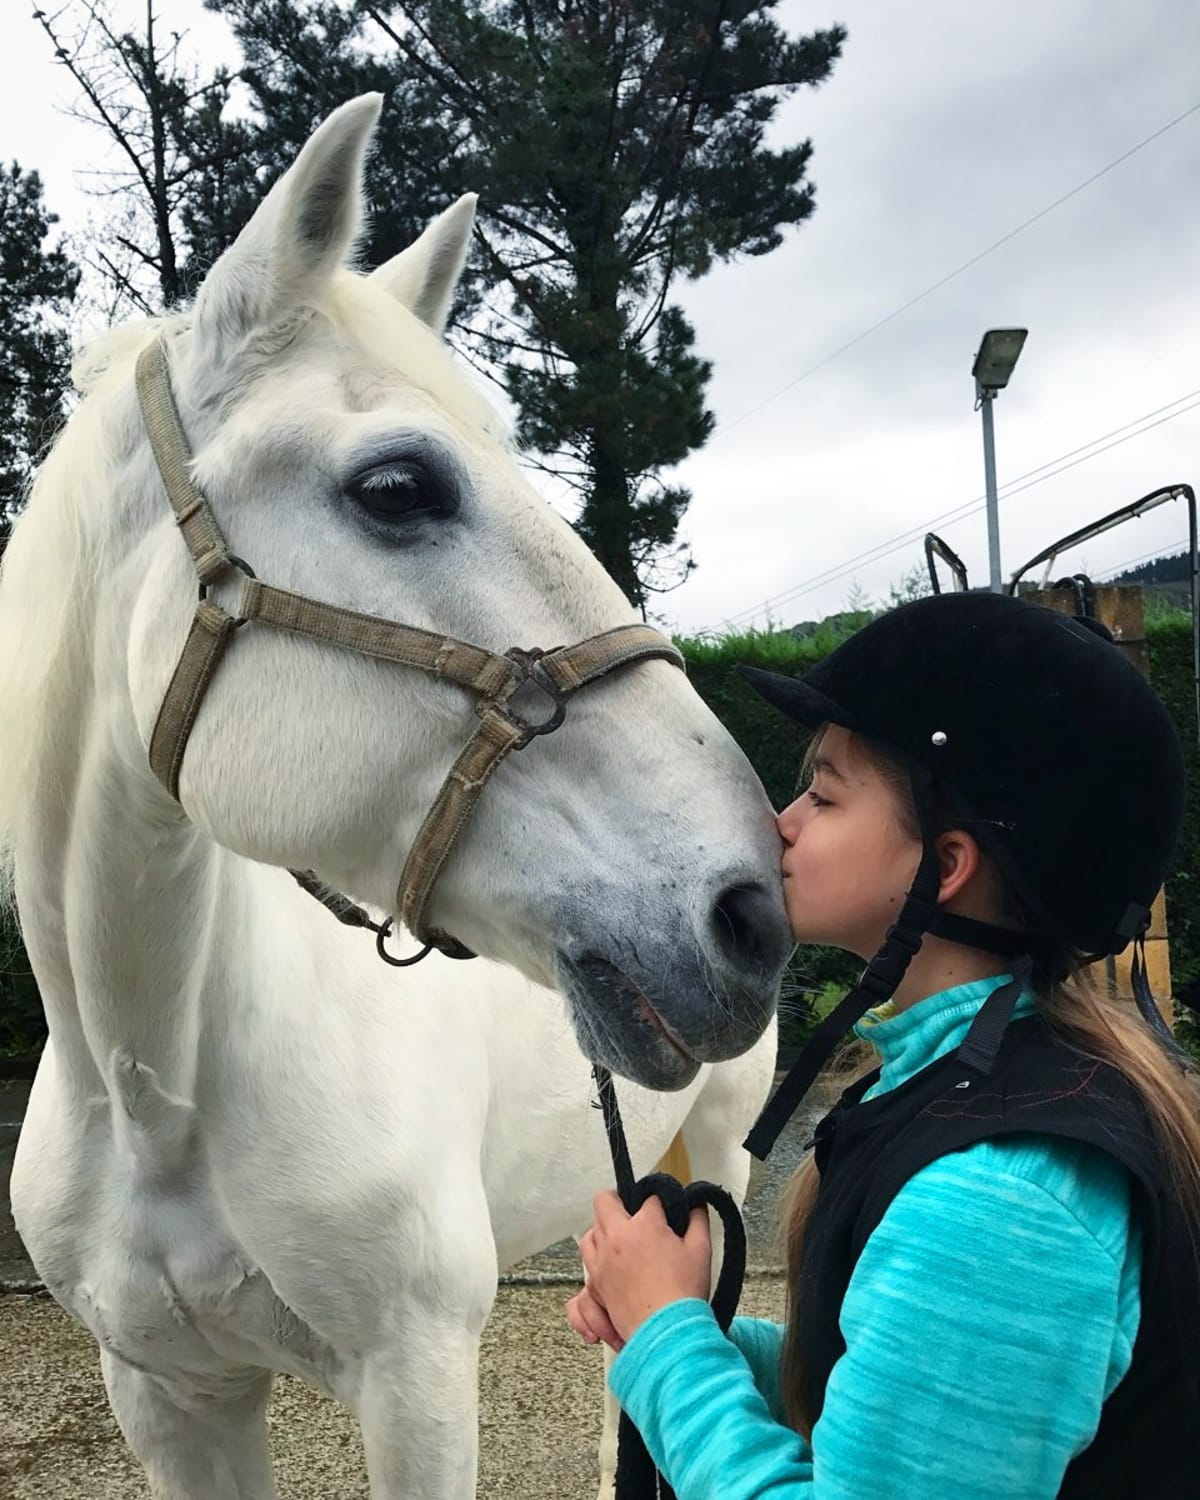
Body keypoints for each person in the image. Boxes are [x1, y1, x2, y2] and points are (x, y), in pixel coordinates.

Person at [566, 591, 1200, 1498]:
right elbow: (909, 1401)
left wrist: (668, 1337)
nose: (782, 823)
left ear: (945, 870)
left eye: (822, 793)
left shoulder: (999, 1197)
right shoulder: (976, 1087)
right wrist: (692, 1330)